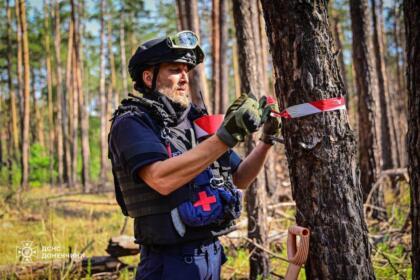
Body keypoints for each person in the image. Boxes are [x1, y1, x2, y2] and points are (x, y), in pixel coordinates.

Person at [108, 30, 280, 280]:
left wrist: (266, 140)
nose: (184, 78)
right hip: (167, 262)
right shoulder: (132, 122)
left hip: (212, 255)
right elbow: (161, 179)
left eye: (186, 71)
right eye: (174, 70)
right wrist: (226, 136)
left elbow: (240, 177)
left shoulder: (197, 122)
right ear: (148, 77)